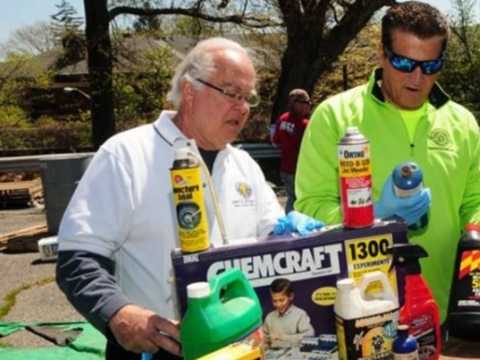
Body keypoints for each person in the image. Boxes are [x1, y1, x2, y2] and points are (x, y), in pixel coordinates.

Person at [55, 37, 323, 359]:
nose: (243, 108)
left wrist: (293, 239)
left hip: (244, 347)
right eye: (231, 93)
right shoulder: (126, 154)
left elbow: (270, 237)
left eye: (247, 97)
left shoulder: (244, 165)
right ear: (190, 91)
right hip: (160, 349)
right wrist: (118, 313)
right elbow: (77, 259)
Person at [293, 1, 480, 320]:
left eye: (430, 66)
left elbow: (475, 199)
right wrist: (369, 216)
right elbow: (310, 206)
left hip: (447, 307)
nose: (417, 78)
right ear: (382, 54)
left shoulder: (461, 122)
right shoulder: (335, 117)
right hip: (365, 311)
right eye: (404, 63)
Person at [272, 89, 312, 213]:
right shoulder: (305, 124)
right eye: (307, 102)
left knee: (292, 198)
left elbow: (276, 140)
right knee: (299, 200)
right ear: (296, 103)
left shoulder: (282, 119)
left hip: (285, 169)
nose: (309, 105)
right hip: (299, 170)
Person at [262, 278, 314, 349]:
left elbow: (310, 335)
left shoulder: (300, 314)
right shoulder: (269, 317)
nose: (278, 304)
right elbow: (264, 340)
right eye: (275, 301)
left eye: (281, 300)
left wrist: (283, 337)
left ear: (291, 296)